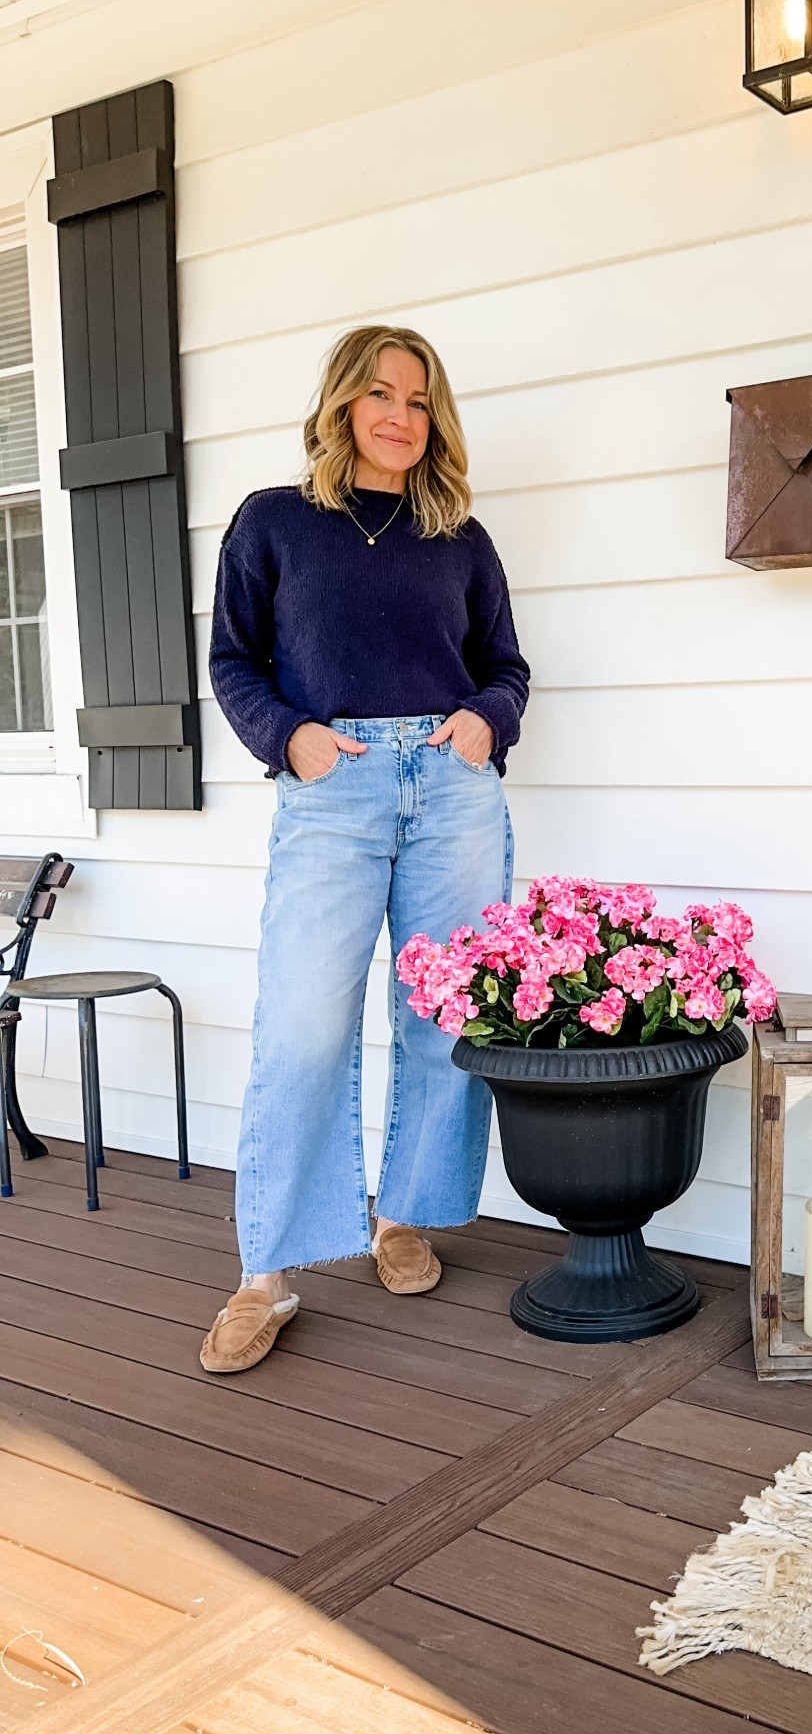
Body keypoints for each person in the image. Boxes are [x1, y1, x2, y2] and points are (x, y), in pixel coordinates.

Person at [204, 324, 529, 1374]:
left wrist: (486, 720)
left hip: (451, 787)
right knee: (302, 1026)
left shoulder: (459, 538)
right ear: (342, 403)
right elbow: (234, 659)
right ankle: (265, 1272)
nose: (401, 415)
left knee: (443, 1016)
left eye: (419, 400)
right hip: (332, 789)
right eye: (381, 393)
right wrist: (288, 737)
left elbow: (506, 667)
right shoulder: (274, 522)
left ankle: (405, 1217)